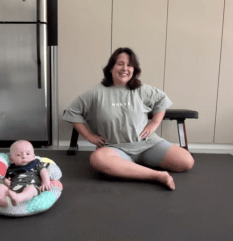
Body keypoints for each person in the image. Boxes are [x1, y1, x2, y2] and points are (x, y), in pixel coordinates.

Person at [63, 47, 194, 190]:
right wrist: (88, 136)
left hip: (147, 145)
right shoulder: (95, 92)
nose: (125, 68)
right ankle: (156, 175)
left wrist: (154, 123)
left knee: (186, 161)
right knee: (98, 159)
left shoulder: (142, 90)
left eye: (129, 65)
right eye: (120, 64)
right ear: (111, 67)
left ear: (134, 69)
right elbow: (73, 111)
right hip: (115, 148)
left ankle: (131, 168)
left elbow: (161, 100)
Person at [0, 140, 51, 207]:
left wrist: (46, 182)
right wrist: (6, 183)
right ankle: (0, 199)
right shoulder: (11, 168)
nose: (24, 157)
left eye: (28, 154)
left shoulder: (35, 163)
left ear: (34, 156)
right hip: (13, 190)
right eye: (18, 155)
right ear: (12, 160)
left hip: (31, 186)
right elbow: (7, 179)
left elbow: (44, 171)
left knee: (30, 189)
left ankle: (19, 198)